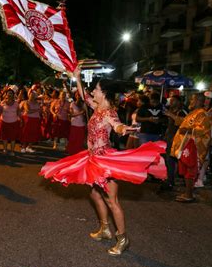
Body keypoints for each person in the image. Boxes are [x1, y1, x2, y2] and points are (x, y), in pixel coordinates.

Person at [40, 68, 166, 256]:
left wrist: (124, 129)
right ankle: (105, 228)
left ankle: (123, 239)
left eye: (96, 89)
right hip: (92, 158)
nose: (93, 92)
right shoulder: (96, 107)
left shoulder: (109, 112)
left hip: (105, 161)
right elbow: (83, 95)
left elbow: (117, 126)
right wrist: (76, 77)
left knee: (111, 201)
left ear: (104, 92)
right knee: (94, 194)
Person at [171, 93, 212, 202]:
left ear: (199, 101)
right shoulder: (194, 113)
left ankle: (189, 195)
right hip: (186, 144)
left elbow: (204, 129)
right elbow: (185, 123)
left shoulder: (202, 114)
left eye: (193, 99)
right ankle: (187, 193)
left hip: (193, 146)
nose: (191, 101)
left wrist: (188, 130)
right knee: (186, 169)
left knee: (190, 169)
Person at [162, 95, 187, 191]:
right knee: (168, 159)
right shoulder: (171, 111)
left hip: (176, 139)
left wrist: (170, 115)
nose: (171, 102)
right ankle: (170, 179)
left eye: (173, 101)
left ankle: (171, 181)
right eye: (170, 100)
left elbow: (183, 123)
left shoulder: (182, 112)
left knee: (172, 160)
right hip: (169, 137)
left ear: (179, 102)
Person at [0, 89, 20, 156]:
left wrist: (21, 120)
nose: (9, 94)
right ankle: (5, 149)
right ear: (6, 94)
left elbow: (18, 112)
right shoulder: (2, 103)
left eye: (11, 93)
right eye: (8, 93)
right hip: (4, 122)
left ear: (13, 95)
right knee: (4, 137)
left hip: (14, 122)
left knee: (13, 138)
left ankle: (12, 151)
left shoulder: (16, 103)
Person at [66, 91, 86, 155]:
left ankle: (78, 153)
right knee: (73, 139)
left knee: (80, 140)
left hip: (82, 124)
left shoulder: (84, 104)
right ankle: (72, 152)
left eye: (79, 95)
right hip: (74, 124)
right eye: (77, 95)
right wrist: (80, 113)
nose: (78, 96)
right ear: (75, 96)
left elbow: (86, 115)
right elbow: (71, 114)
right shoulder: (72, 104)